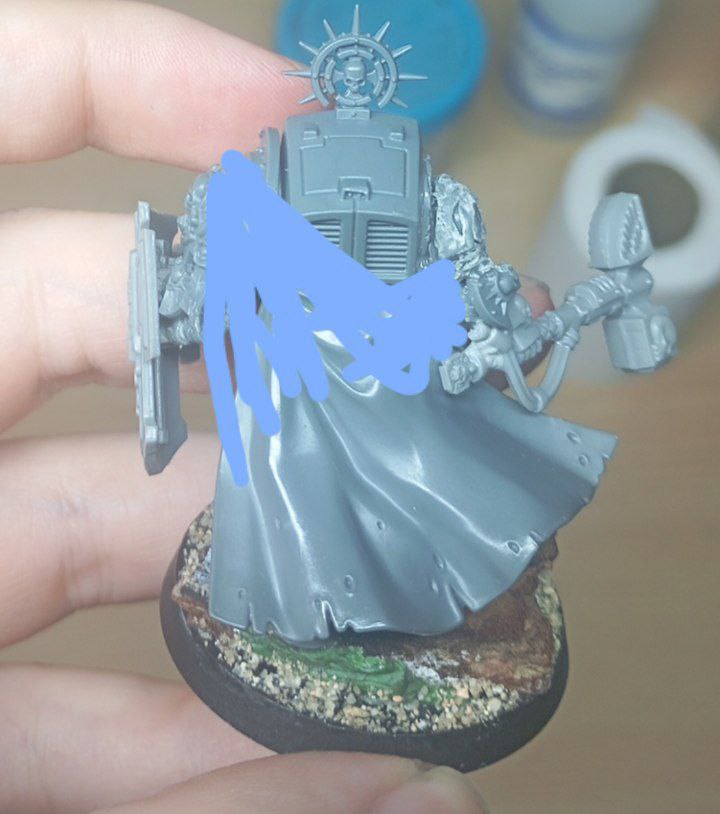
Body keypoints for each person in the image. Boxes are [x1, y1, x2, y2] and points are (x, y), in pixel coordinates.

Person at [0, 2, 558, 811]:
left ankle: (416, 586)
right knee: (293, 476)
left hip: (396, 341)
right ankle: (310, 595)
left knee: (422, 470)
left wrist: (483, 301)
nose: (357, 79)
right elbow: (217, 219)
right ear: (331, 77)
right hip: (297, 344)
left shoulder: (423, 174)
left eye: (370, 71)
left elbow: (463, 256)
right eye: (346, 70)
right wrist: (194, 287)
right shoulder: (276, 160)